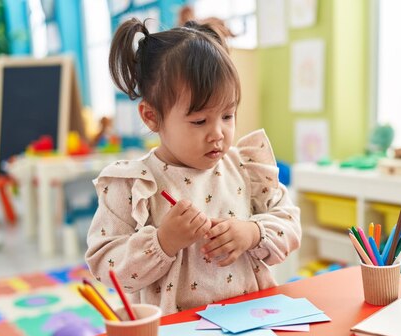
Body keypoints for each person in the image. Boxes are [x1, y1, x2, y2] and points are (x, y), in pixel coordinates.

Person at [85, 18, 301, 315]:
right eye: (199, 121)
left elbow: (290, 225)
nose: (218, 133)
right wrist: (163, 242)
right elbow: (104, 266)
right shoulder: (133, 184)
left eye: (228, 115)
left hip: (252, 320)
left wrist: (252, 232)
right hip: (174, 334)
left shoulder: (246, 167)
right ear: (151, 117)